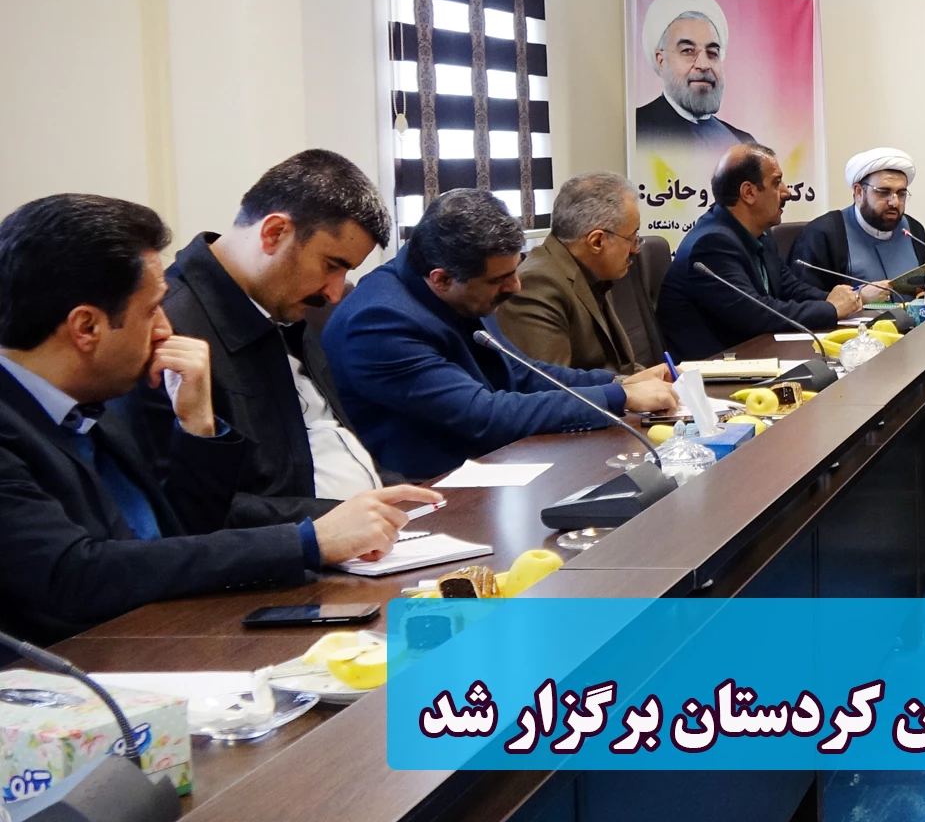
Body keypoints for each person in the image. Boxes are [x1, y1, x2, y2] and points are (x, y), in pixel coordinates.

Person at [0, 194, 437, 643]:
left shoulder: (95, 402)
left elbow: (186, 535)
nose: (165, 329)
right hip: (83, 664)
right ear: (87, 327)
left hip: (170, 635)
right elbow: (74, 576)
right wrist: (308, 542)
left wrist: (197, 425)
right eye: (151, 311)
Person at [116, 149, 390, 527]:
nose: (334, 293)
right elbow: (183, 511)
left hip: (370, 532)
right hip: (302, 549)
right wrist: (341, 518)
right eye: (331, 266)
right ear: (274, 233)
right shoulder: (166, 331)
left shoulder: (284, 306)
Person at [324, 189, 677, 480]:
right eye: (499, 280)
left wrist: (619, 383)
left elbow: (522, 373)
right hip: (432, 491)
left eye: (514, 270)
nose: (515, 286)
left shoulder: (463, 290)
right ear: (441, 278)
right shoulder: (379, 322)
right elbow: (484, 416)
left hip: (495, 467)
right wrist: (618, 397)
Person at [661, 144, 863, 359]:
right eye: (776, 182)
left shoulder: (760, 235)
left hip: (754, 354)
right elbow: (755, 314)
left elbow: (789, 287)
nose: (787, 192)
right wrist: (830, 309)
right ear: (748, 192)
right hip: (712, 367)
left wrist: (842, 299)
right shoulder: (711, 244)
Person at [496, 172, 646, 374]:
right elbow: (552, 384)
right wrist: (630, 386)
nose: (636, 248)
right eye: (632, 237)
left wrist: (661, 380)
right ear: (597, 241)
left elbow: (621, 366)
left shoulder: (592, 271)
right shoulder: (536, 285)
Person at [787, 148, 925, 305]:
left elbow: (922, 287)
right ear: (859, 192)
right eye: (883, 192)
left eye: (901, 194)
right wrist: (858, 297)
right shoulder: (823, 234)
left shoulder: (913, 229)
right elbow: (804, 302)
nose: (894, 202)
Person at [635, 0, 759, 160]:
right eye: (688, 51)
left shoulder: (743, 142)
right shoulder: (636, 128)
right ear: (661, 61)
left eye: (712, 53)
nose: (703, 65)